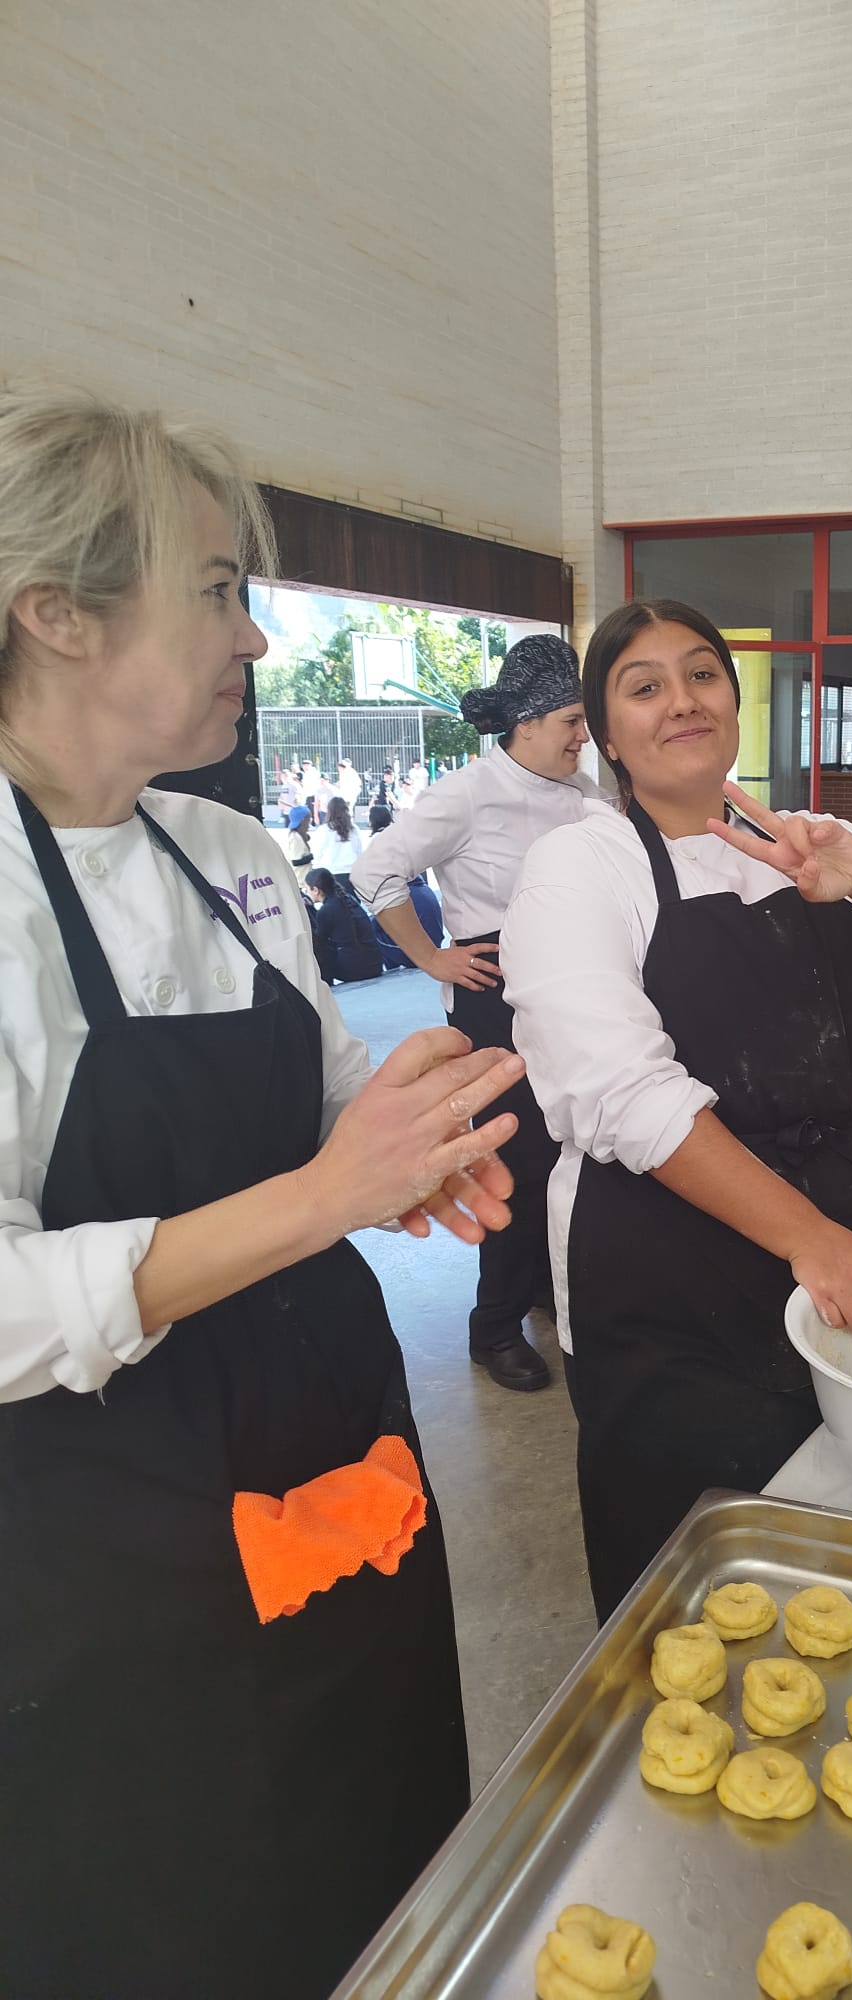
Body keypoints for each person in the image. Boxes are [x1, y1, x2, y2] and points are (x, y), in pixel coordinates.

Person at [0, 385, 526, 2000]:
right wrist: (324, 1197)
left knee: (381, 1858)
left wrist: (407, 1140)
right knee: (193, 1910)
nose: (256, 636)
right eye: (220, 588)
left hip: (333, 1451)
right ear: (57, 613)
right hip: (110, 1542)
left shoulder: (229, 853)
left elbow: (317, 1100)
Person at [499, 599, 852, 1619]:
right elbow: (625, 1093)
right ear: (607, 735)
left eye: (703, 674)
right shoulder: (580, 866)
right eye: (644, 686)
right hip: (672, 1271)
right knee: (695, 1584)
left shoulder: (793, 837)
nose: (682, 700)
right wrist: (809, 1238)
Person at [352, 635, 601, 1393]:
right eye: (572, 720)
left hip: (574, 985)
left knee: (574, 1148)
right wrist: (431, 956)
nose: (583, 736)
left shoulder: (585, 792)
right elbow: (376, 869)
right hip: (494, 994)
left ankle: (542, 1285)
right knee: (518, 1163)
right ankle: (493, 1327)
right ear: (525, 722)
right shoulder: (469, 791)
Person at [365, 802, 443, 970]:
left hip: (422, 955)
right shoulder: (422, 888)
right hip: (433, 946)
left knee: (375, 925)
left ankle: (391, 964)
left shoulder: (401, 894)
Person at [306, 866, 385, 984]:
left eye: (307, 889)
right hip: (375, 965)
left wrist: (308, 909)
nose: (306, 892)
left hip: (354, 971)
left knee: (317, 943)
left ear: (316, 890)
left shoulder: (327, 910)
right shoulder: (349, 900)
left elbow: (320, 941)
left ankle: (325, 982)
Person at [311, 789, 363, 888]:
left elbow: (317, 852)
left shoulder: (324, 830)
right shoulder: (353, 829)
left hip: (329, 873)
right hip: (350, 873)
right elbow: (359, 851)